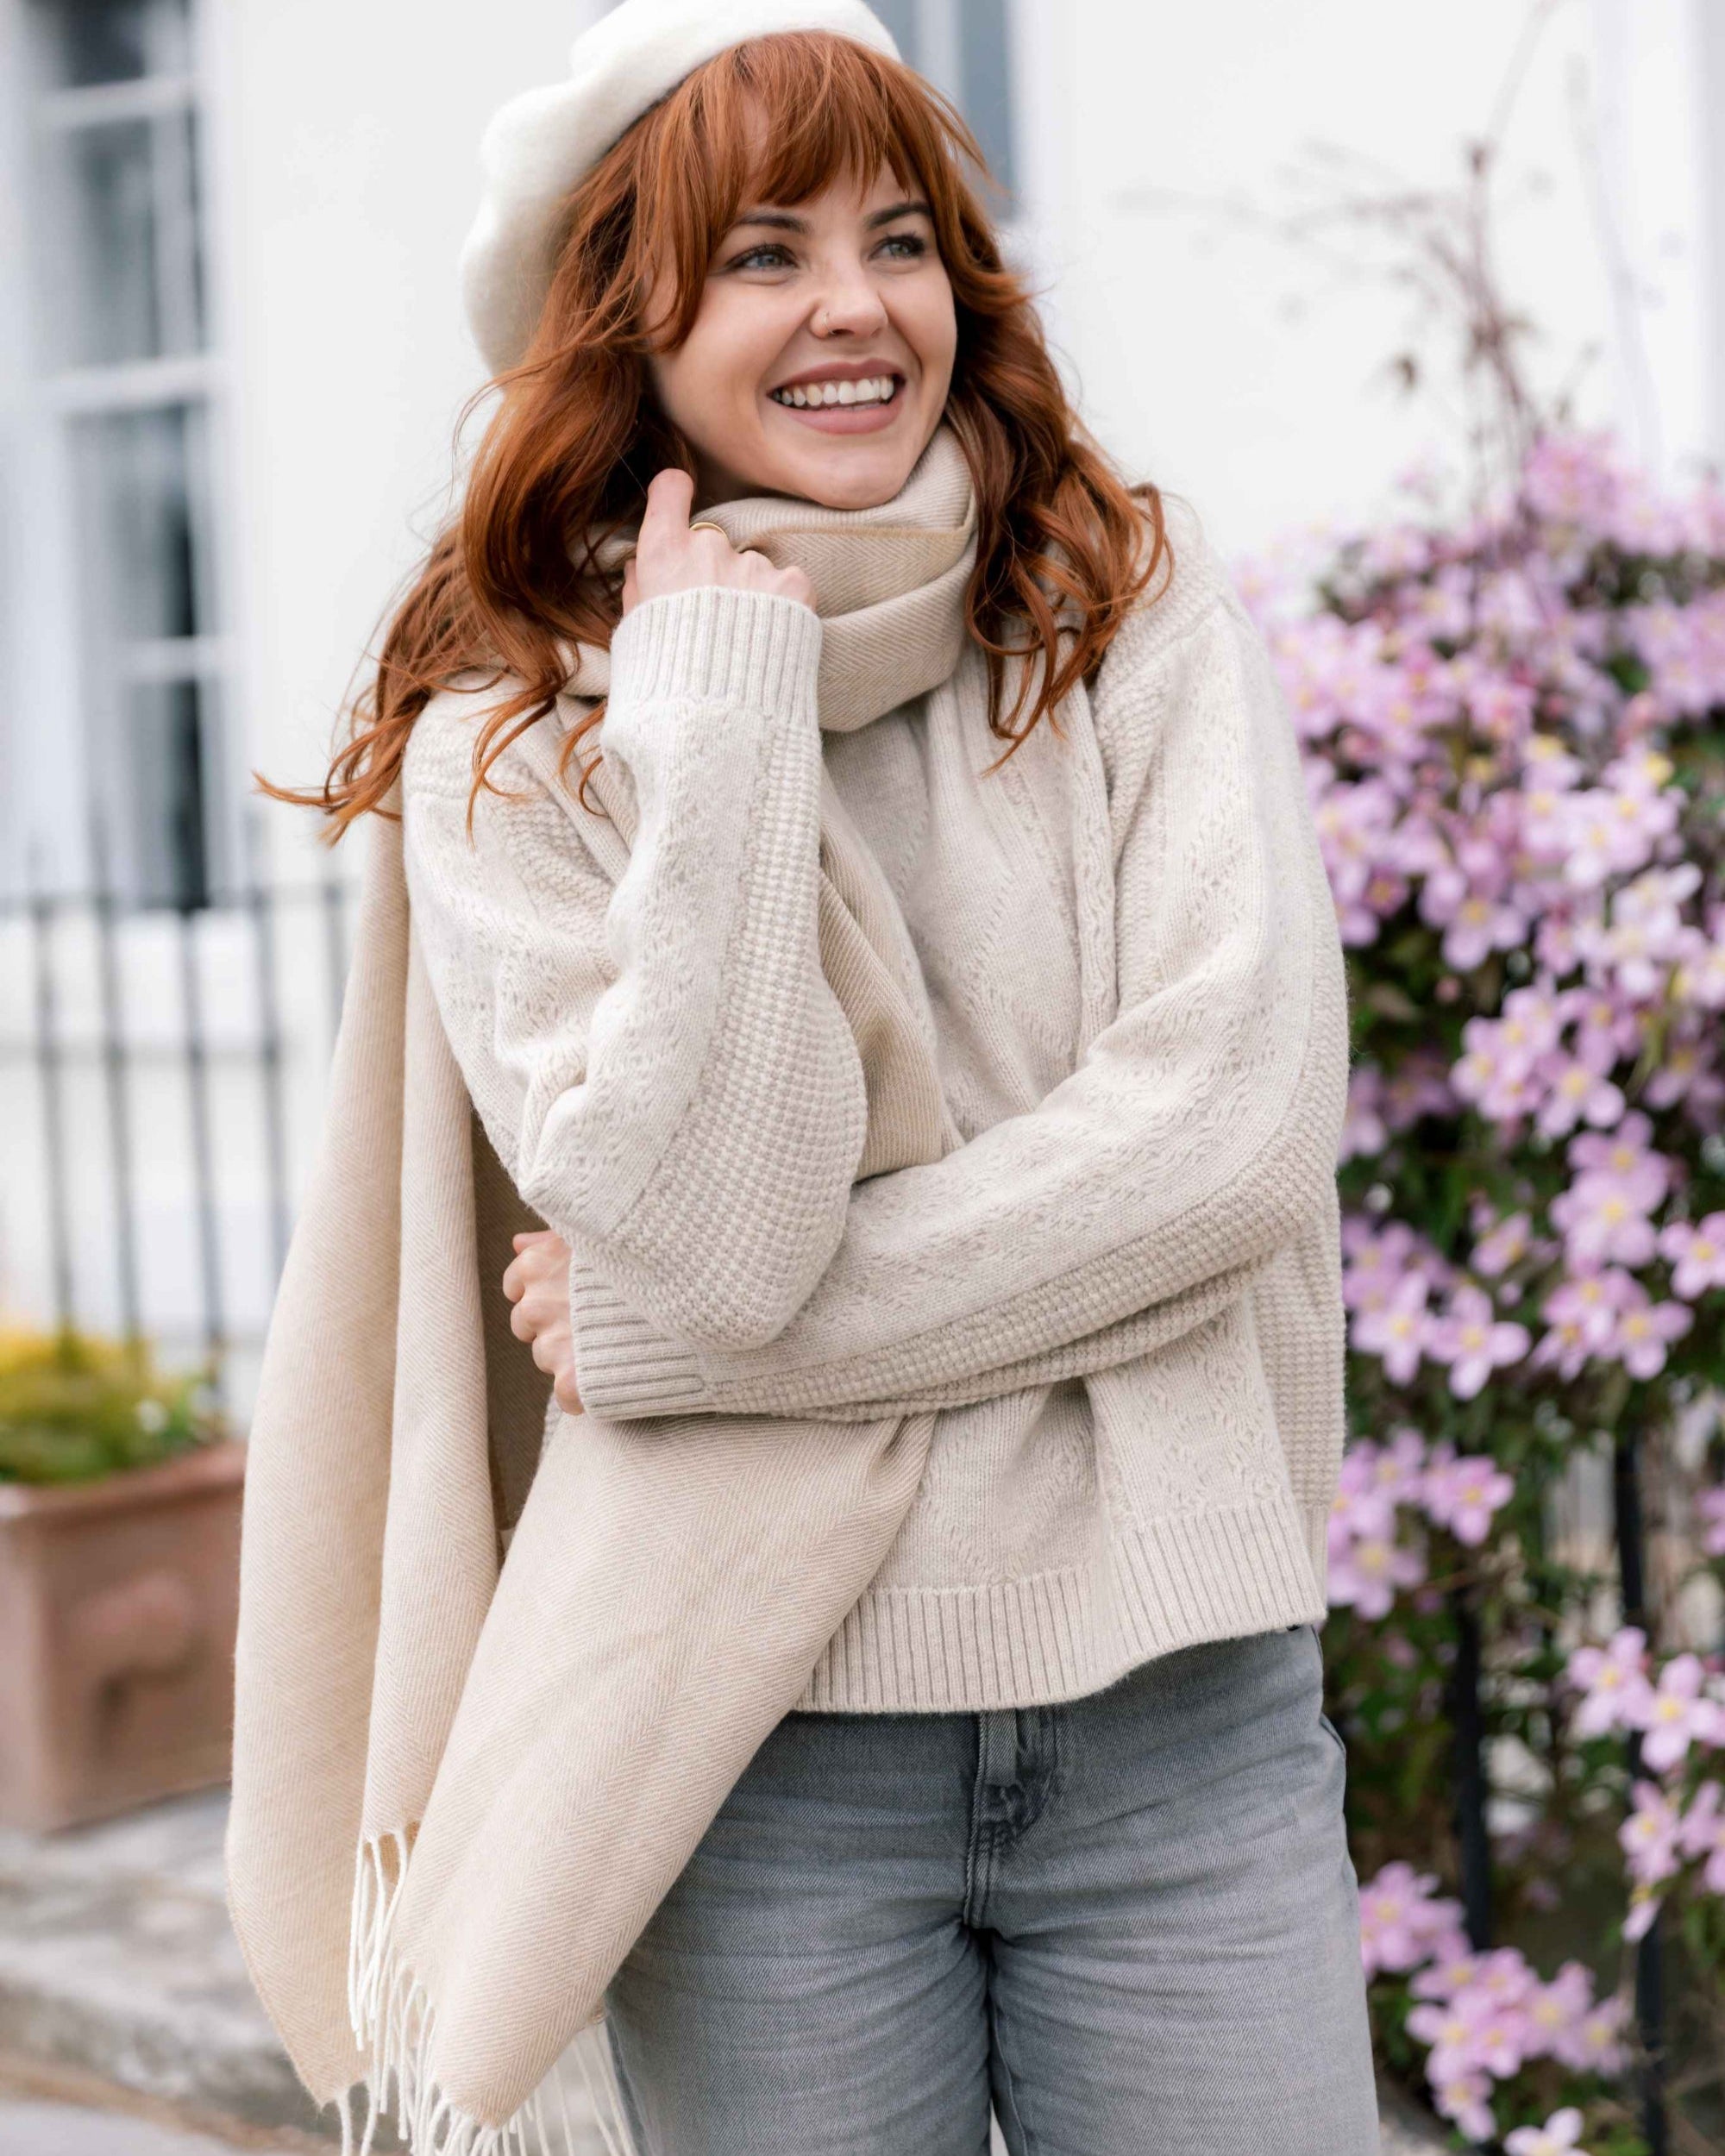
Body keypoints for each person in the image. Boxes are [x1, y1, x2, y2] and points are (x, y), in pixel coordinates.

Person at [267, 3, 1377, 2149]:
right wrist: (713, 705)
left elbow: (1228, 1131)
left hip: (1183, 1722)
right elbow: (717, 1215)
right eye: (761, 251)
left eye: (895, 235)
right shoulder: (520, 741)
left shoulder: (1114, 594)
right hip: (757, 1750)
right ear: (627, 309)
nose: (853, 306)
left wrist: (697, 1345)